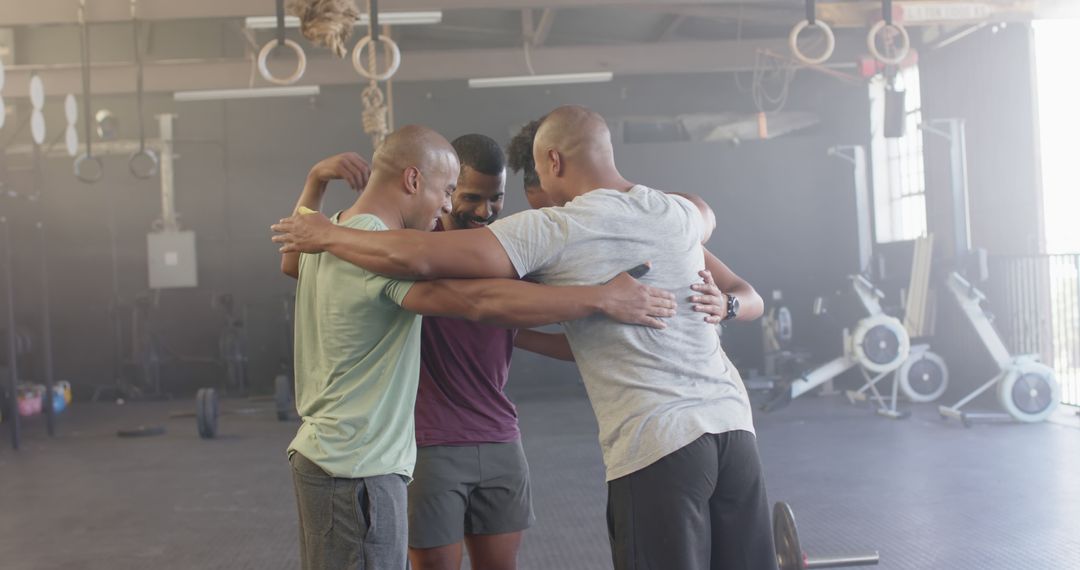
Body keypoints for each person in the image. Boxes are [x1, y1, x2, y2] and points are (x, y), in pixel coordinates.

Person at [272, 107, 776, 570]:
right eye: (453, 192)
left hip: (654, 444)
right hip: (734, 428)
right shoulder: (674, 214)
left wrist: (324, 226)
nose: (460, 205)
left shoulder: (554, 229)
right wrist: (605, 298)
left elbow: (428, 267)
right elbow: (471, 297)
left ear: (552, 160)